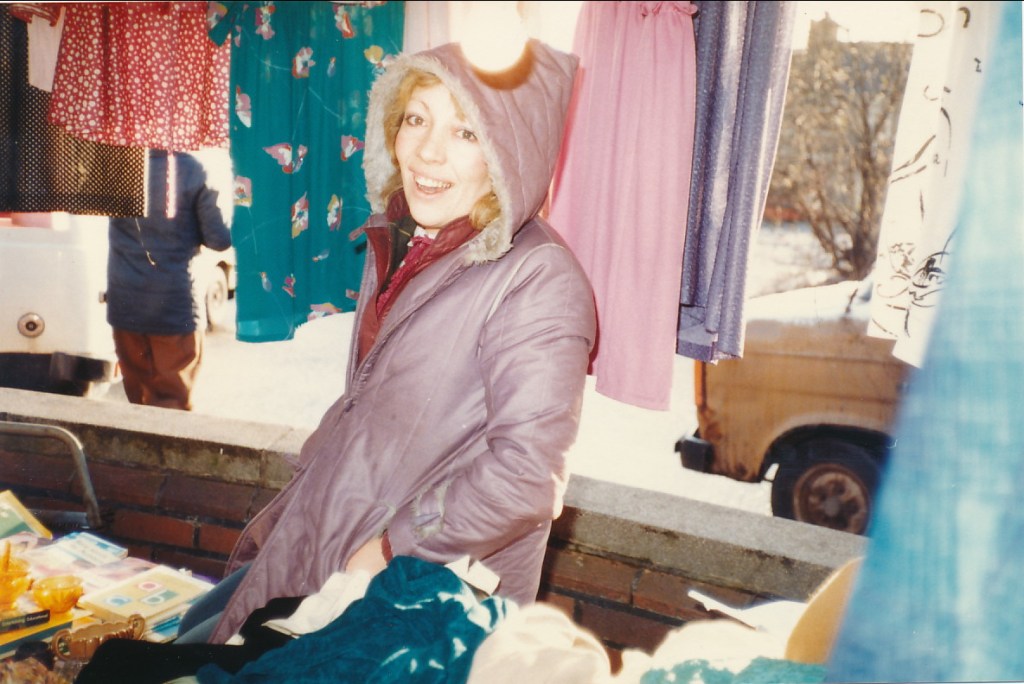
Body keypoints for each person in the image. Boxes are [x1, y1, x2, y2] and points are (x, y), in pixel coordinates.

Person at [177, 39, 595, 646]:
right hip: (336, 532)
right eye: (417, 119)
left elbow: (527, 476)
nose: (426, 150)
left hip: (413, 587)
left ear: (511, 153)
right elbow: (375, 399)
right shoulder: (406, 235)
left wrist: (393, 545)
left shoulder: (539, 278)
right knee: (191, 633)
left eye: (467, 133)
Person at [106, 148, 233, 411]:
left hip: (124, 303)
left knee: (136, 400)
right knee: (173, 404)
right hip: (174, 305)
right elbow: (219, 240)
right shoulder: (196, 170)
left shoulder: (117, 167)